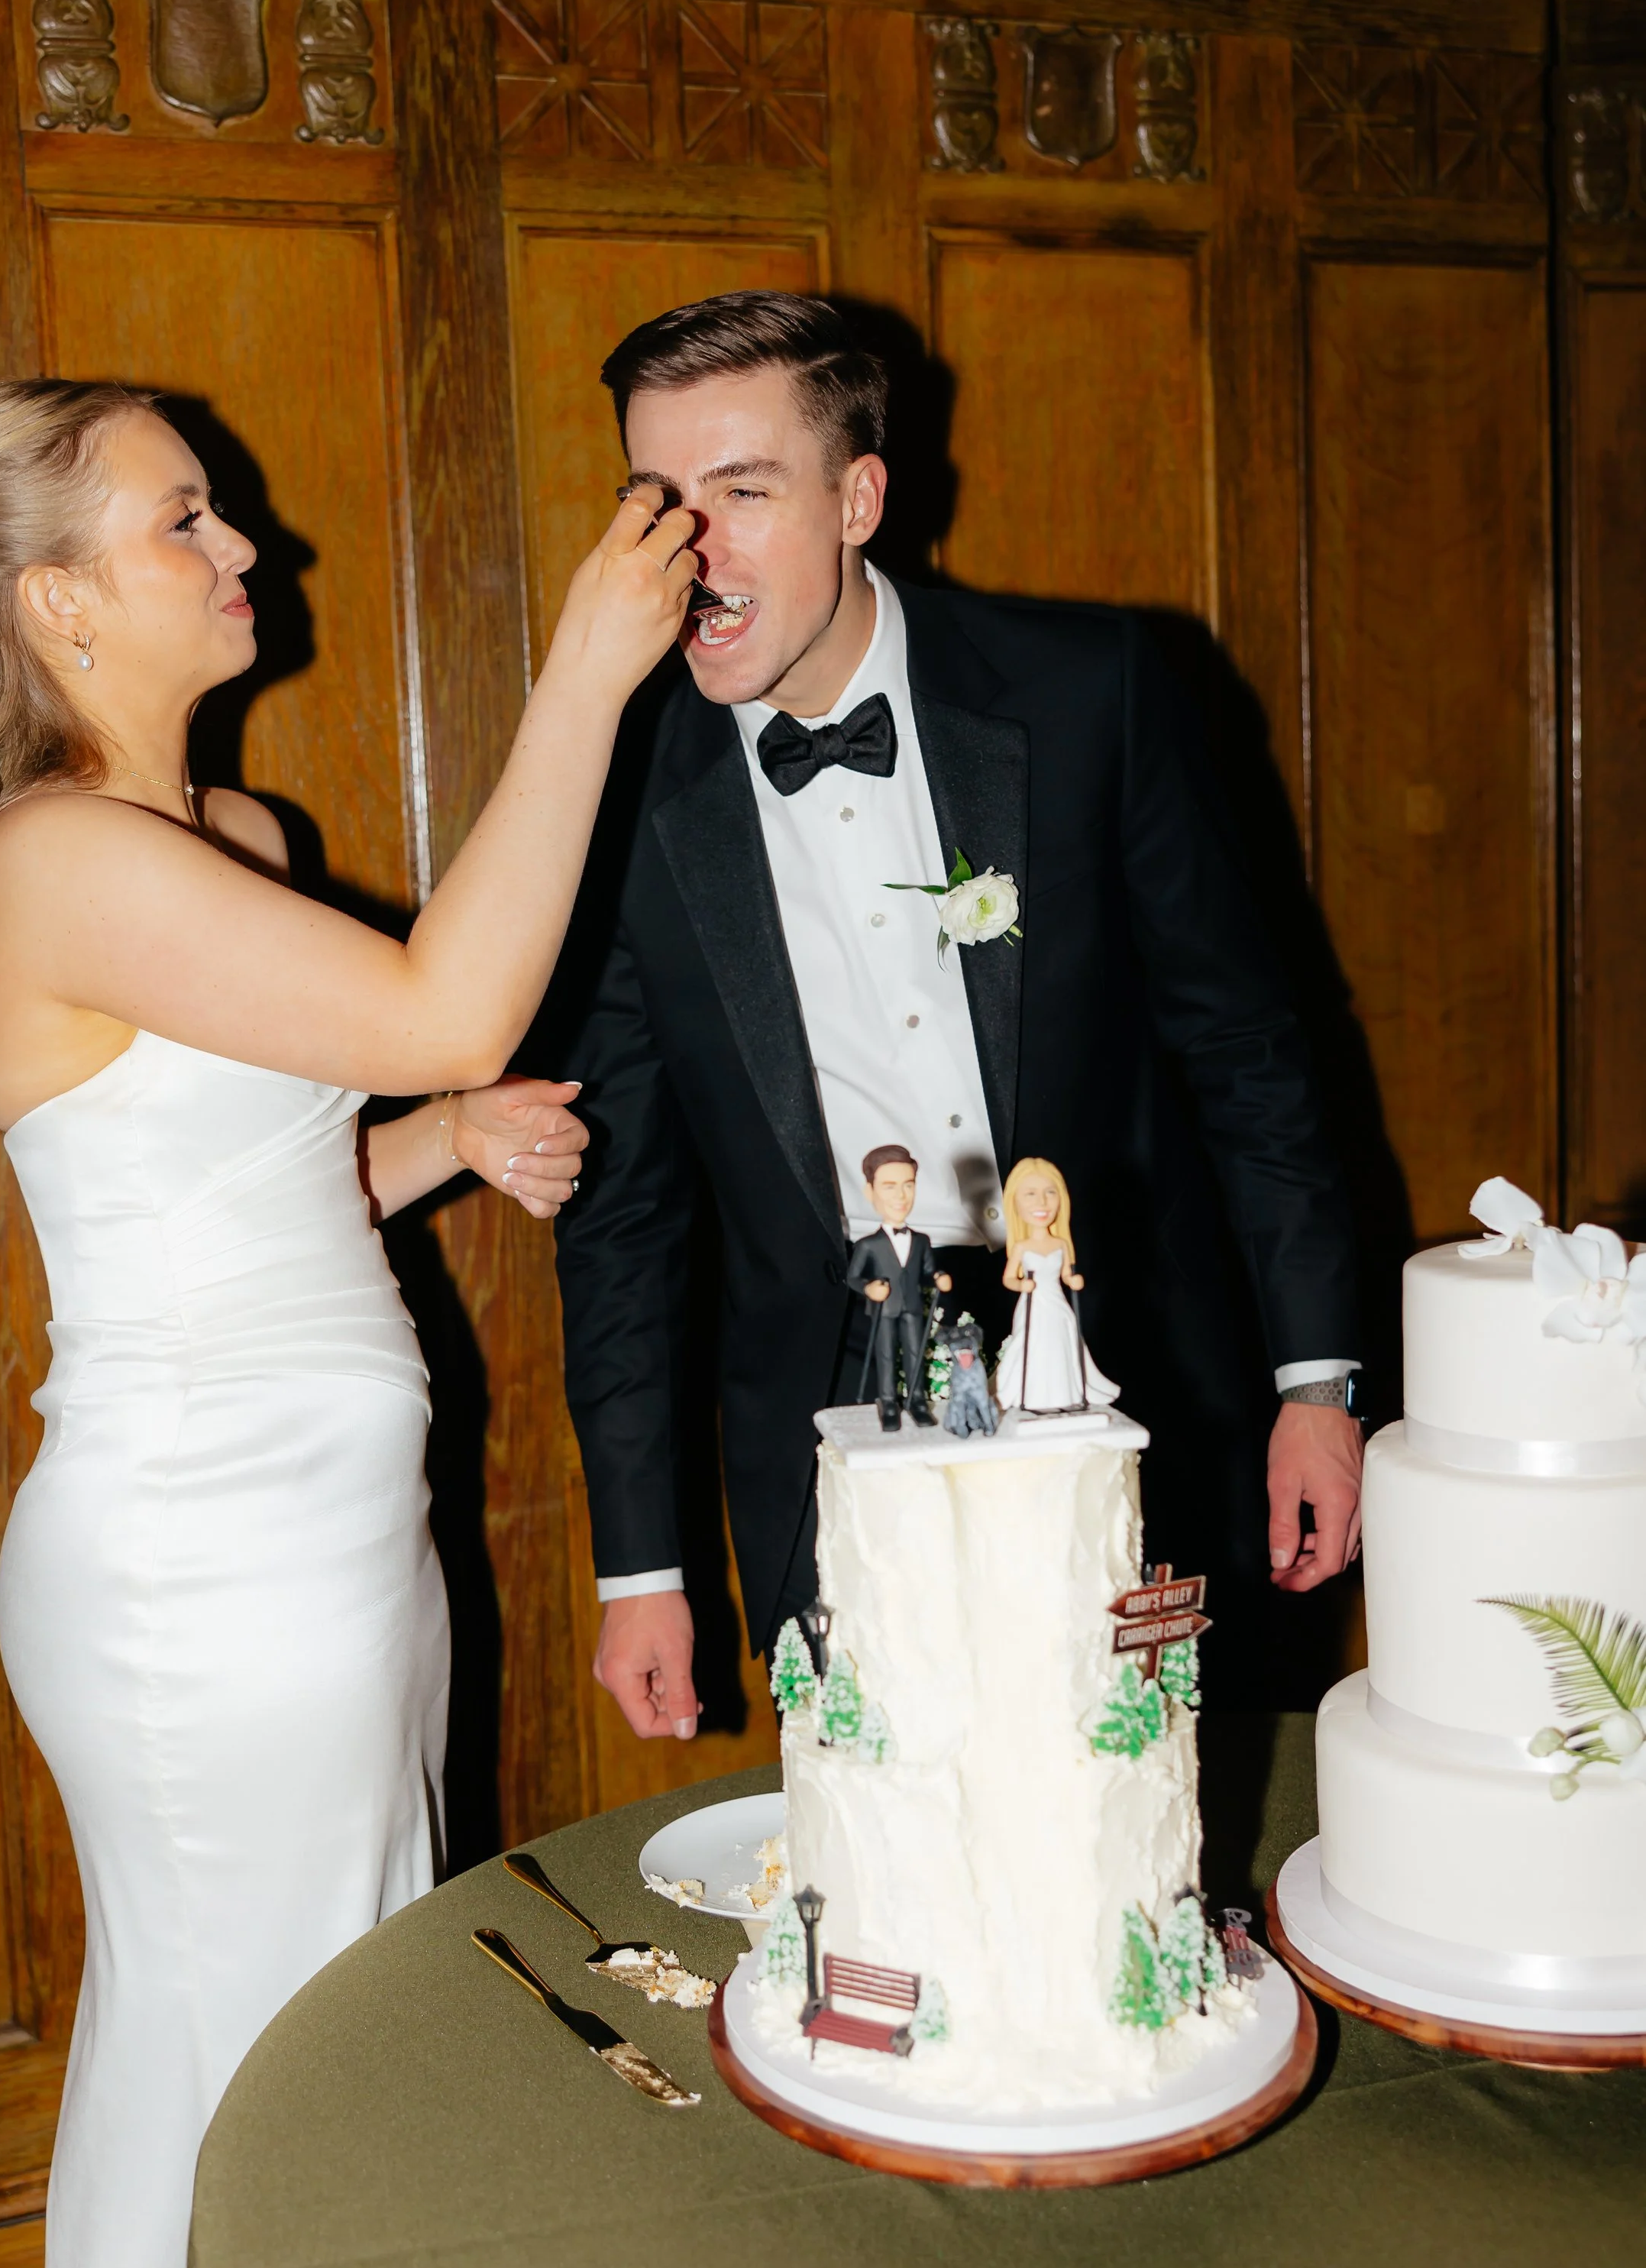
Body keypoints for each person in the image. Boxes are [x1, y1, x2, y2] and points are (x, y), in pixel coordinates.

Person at [0, 377, 697, 2268]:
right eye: (185, 522)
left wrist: (432, 1143)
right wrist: (584, 677)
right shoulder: (48, 858)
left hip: (331, 1539)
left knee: (292, 2047)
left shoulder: (223, 843)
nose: (248, 553)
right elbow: (446, 994)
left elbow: (232, 1193)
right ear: (57, 605)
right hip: (198, 1568)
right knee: (254, 2074)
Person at [547, 291, 1365, 1744]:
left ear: (860, 497)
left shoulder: (1097, 690)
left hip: (1138, 1396)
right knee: (894, 1865)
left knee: (1134, 1830)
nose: (695, 551)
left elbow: (1248, 1050)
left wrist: (1317, 1378)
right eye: (658, 502)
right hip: (826, 1434)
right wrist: (641, 1562)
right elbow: (621, 1210)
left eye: (743, 493)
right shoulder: (610, 787)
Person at [995, 1155, 1120, 1415]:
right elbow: (1008, 1278)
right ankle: (1030, 1393)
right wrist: (1021, 1285)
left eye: (1050, 1193)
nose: (1042, 1202)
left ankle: (1065, 1392)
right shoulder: (1022, 1247)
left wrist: (1072, 1279)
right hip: (1033, 1303)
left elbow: (1066, 1272)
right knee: (1032, 1344)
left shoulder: (1061, 1244)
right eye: (1030, 1194)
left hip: (1057, 1303)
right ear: (1015, 1202)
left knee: (1062, 1344)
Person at [842, 1142, 952, 1429]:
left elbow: (927, 1271)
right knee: (887, 1355)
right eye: (889, 1186)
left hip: (913, 1307)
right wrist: (868, 1289)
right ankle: (888, 1402)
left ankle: (917, 1400)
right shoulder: (868, 1245)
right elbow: (852, 1278)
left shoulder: (921, 1241)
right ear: (870, 1192)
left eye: (908, 1185)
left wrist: (938, 1277)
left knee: (916, 1354)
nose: (901, 1196)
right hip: (884, 1311)